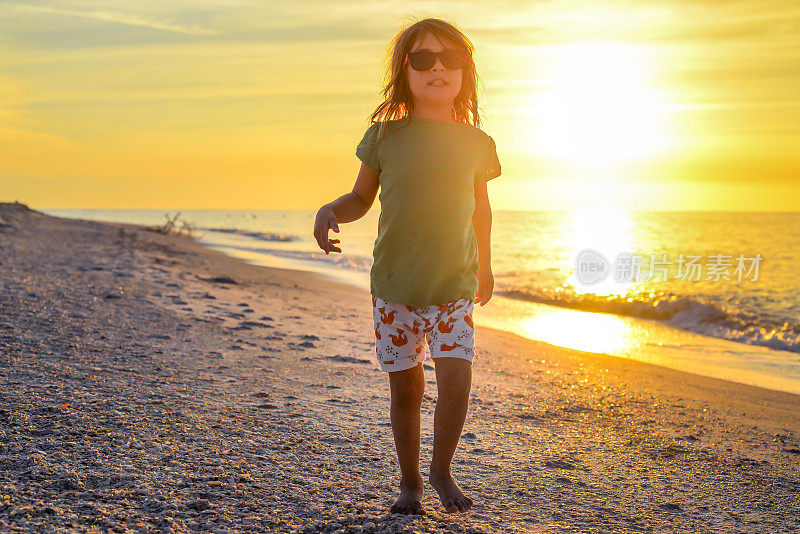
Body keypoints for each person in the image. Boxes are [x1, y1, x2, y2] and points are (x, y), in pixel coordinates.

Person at [313, 17, 501, 516]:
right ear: (405, 71)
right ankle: (411, 482)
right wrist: (331, 210)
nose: (437, 67)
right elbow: (359, 198)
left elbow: (480, 209)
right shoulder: (385, 137)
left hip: (454, 282)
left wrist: (485, 265)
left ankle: (442, 470)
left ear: (465, 71)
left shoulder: (476, 143)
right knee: (408, 388)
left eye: (450, 58)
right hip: (395, 285)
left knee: (457, 377)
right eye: (422, 59)